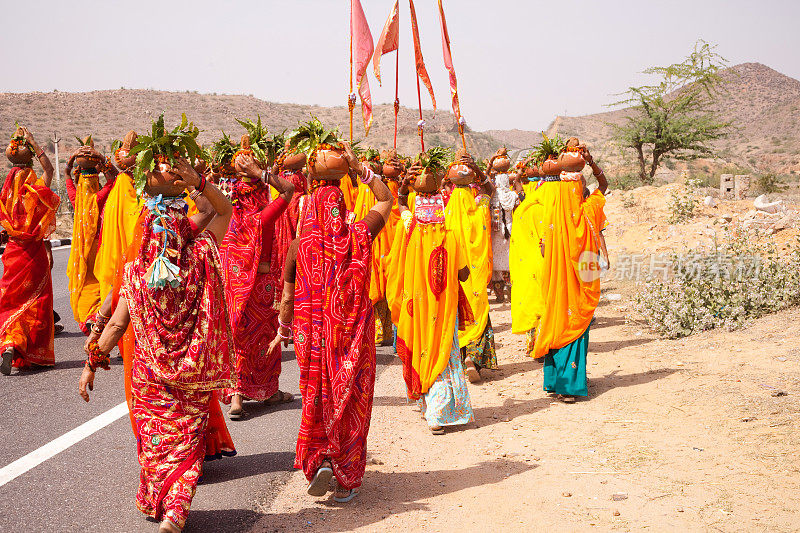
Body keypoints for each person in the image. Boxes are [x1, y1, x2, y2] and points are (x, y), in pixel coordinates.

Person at [78, 153, 234, 533]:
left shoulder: (136, 274)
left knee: (156, 442)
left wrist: (90, 366)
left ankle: (167, 507)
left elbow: (115, 325)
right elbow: (223, 210)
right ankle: (176, 511)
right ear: (187, 228)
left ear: (143, 235)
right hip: (192, 371)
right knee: (186, 442)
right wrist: (197, 182)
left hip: (150, 376)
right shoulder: (201, 256)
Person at [270, 141, 393, 503]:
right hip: (349, 337)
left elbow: (288, 299)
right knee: (351, 399)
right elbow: (386, 201)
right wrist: (360, 169)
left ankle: (322, 457)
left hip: (311, 339)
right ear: (341, 206)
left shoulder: (298, 244)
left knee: (316, 397)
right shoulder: (358, 236)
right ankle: (345, 479)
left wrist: (281, 331)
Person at [390, 163, 475, 435]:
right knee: (443, 353)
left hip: (417, 309)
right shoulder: (450, 236)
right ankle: (438, 412)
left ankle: (427, 405)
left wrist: (404, 188)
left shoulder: (410, 229)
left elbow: (401, 207)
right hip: (444, 308)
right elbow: (463, 275)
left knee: (421, 349)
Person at [529, 142, 608, 403]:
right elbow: (604, 187)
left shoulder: (552, 217)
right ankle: (571, 386)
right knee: (576, 322)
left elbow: (543, 251)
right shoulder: (589, 211)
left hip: (557, 285)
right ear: (580, 190)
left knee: (559, 319)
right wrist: (592, 162)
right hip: (579, 281)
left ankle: (556, 382)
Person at [221, 150, 296, 419]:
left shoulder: (227, 217)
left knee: (237, 337)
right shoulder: (264, 216)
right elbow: (288, 191)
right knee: (263, 337)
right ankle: (268, 391)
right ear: (260, 189)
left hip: (232, 287)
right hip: (261, 286)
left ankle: (236, 396)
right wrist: (261, 172)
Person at [0, 127, 60, 375]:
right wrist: (35, 143)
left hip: (13, 253)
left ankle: (10, 343)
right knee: (37, 301)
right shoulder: (35, 188)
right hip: (34, 253)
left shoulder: (5, 193)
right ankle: (32, 352)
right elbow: (50, 170)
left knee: (12, 302)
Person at [442, 152, 498, 383]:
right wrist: (478, 169)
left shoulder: (445, 212)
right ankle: (473, 358)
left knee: (459, 311)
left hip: (457, 272)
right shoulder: (479, 207)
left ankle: (460, 358)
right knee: (477, 308)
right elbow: (490, 192)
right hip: (475, 271)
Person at [65, 137, 118, 333]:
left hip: (80, 247)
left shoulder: (75, 198)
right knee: (96, 281)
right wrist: (103, 164)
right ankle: (97, 314)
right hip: (97, 243)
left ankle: (87, 316)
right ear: (96, 181)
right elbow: (113, 181)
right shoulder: (99, 197)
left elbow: (67, 179)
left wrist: (69, 168)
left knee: (85, 280)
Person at [487, 157, 518, 304]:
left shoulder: (492, 197)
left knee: (497, 265)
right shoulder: (513, 196)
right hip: (510, 231)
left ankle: (499, 295)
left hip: (495, 232)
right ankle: (510, 293)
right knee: (508, 262)